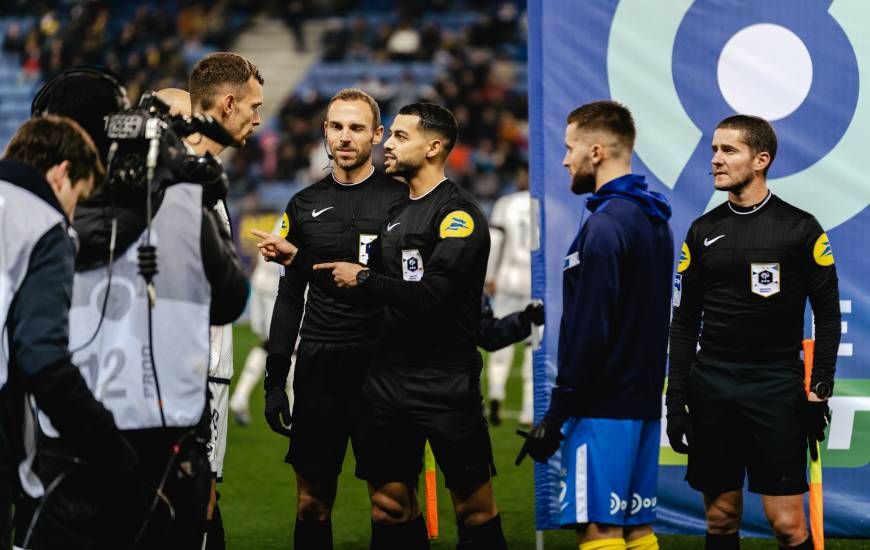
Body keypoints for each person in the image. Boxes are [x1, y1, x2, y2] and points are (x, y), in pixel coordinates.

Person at [24, 66, 249, 548]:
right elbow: (231, 299)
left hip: (66, 441)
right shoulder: (180, 199)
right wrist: (192, 191)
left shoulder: (33, 212)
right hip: (164, 444)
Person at [312, 102, 507, 549]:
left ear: (434, 147)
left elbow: (433, 297)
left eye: (401, 136)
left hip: (445, 383)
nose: (388, 143)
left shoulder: (459, 215)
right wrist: (300, 260)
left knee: (474, 512)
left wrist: (363, 276)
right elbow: (369, 289)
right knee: (389, 507)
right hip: (386, 382)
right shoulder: (397, 213)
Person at [666, 115, 841, 550]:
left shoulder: (800, 228)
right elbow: (685, 322)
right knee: (721, 518)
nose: (716, 160)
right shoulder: (702, 231)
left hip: (775, 385)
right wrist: (676, 398)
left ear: (761, 159)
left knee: (787, 526)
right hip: (712, 385)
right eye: (714, 150)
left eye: (729, 150)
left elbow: (829, 317)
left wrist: (818, 390)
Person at [516, 101, 673, 550]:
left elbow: (592, 327)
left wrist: (559, 414)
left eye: (570, 149)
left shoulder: (605, 225)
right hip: (641, 402)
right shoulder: (652, 217)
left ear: (597, 151)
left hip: (602, 405)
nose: (565, 159)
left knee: (599, 529)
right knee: (636, 528)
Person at [255, 88, 406, 550]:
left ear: (377, 135)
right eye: (337, 126)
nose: (345, 137)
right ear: (324, 131)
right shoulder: (301, 205)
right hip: (319, 367)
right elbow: (288, 295)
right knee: (311, 504)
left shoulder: (402, 201)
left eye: (357, 128)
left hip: (382, 369)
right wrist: (276, 378)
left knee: (392, 504)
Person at [0, 116, 133, 550]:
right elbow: (43, 360)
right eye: (77, 197)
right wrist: (109, 448)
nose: (73, 213)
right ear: (61, 173)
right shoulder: (41, 223)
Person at [485, 166, 533, 425]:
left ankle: (495, 395)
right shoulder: (545, 204)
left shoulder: (507, 203)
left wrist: (489, 276)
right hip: (534, 282)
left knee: (499, 342)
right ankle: (528, 409)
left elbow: (495, 240)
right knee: (532, 346)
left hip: (508, 279)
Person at [229, 244, 282, 427]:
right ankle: (295, 411)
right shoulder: (299, 217)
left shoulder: (283, 220)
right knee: (292, 347)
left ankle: (240, 396)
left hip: (261, 282)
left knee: (268, 343)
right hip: (280, 288)